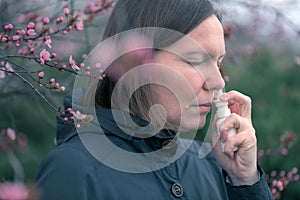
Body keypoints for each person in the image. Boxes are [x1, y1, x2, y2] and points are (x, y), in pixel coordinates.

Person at [35, 0, 273, 199]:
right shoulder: (74, 170)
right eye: (194, 61)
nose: (218, 82)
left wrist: (245, 181)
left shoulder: (210, 165)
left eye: (218, 63)